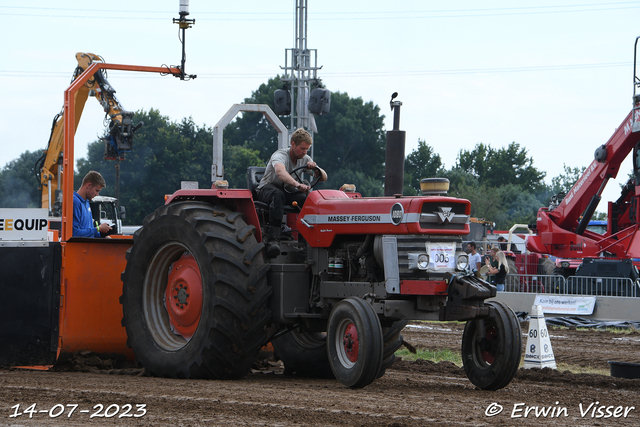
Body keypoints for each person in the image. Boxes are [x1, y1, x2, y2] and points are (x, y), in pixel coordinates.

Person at [256, 128, 327, 257]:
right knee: (278, 195)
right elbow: (280, 172)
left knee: (307, 199)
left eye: (307, 149)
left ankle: (305, 241)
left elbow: (323, 177)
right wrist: (297, 185)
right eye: (302, 148)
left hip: (286, 189)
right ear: (293, 144)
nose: (304, 152)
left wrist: (316, 169)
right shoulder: (280, 155)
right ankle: (273, 240)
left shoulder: (304, 158)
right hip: (267, 188)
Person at [73, 170, 112, 237]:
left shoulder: (87, 202)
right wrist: (98, 229)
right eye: (97, 190)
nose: (97, 194)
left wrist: (103, 236)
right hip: (79, 247)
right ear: (89, 185)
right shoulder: (75, 202)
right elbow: (74, 233)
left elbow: (89, 232)